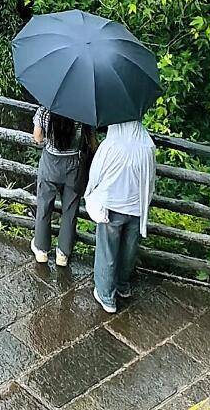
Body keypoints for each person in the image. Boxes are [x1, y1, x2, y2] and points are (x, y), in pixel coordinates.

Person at [85, 118, 155, 314]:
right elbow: (150, 180)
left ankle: (106, 295)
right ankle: (123, 286)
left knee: (108, 250)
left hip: (112, 206)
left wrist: (91, 194)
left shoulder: (111, 145)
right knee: (129, 250)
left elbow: (96, 174)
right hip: (135, 208)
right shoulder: (147, 147)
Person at [30, 108, 88, 270]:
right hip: (73, 166)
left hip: (50, 164)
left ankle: (41, 250)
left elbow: (38, 138)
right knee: (70, 211)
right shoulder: (82, 111)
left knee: (44, 206)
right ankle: (63, 254)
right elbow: (88, 139)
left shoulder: (45, 111)